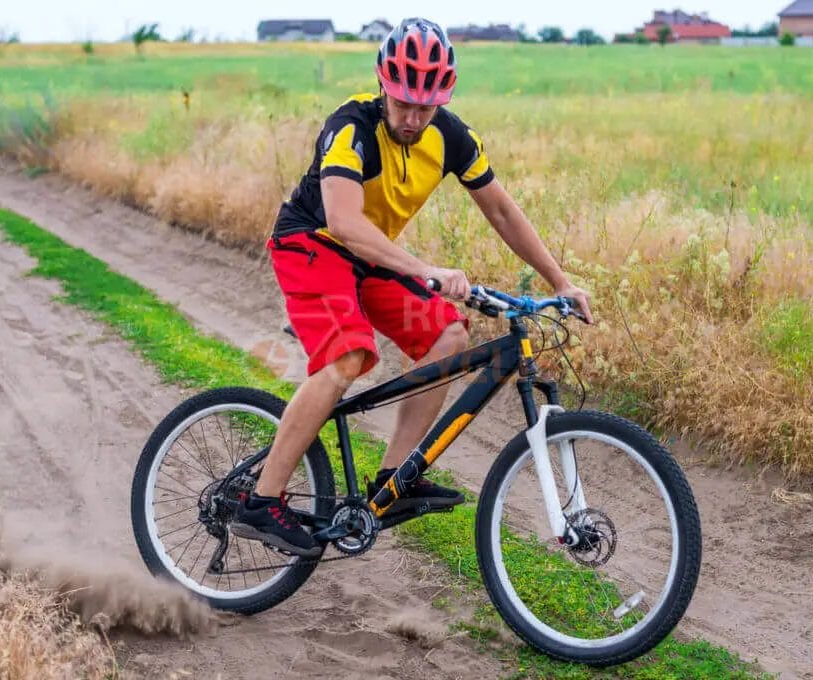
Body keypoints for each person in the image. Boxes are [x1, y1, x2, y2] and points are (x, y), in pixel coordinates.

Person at [230, 17, 593, 557]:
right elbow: (345, 222)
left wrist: (560, 281)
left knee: (447, 336)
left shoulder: (450, 135)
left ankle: (392, 482)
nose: (414, 117)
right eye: (403, 104)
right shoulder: (350, 128)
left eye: (426, 107)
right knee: (348, 357)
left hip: (371, 257)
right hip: (314, 243)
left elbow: (500, 210)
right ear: (383, 85)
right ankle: (261, 501)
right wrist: (424, 269)